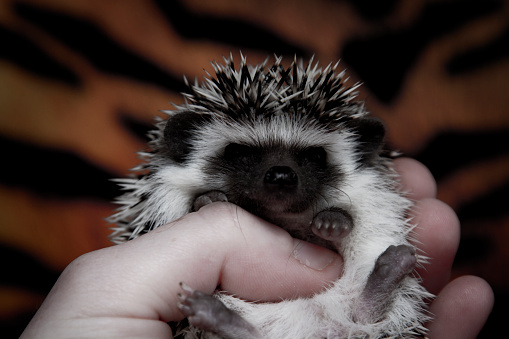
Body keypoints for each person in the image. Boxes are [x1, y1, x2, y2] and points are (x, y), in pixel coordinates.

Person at [20, 158, 493, 338]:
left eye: (310, 160)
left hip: (332, 314)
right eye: (244, 158)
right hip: (284, 320)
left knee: (364, 305)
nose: (282, 176)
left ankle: (370, 298)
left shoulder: (351, 196)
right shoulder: (195, 202)